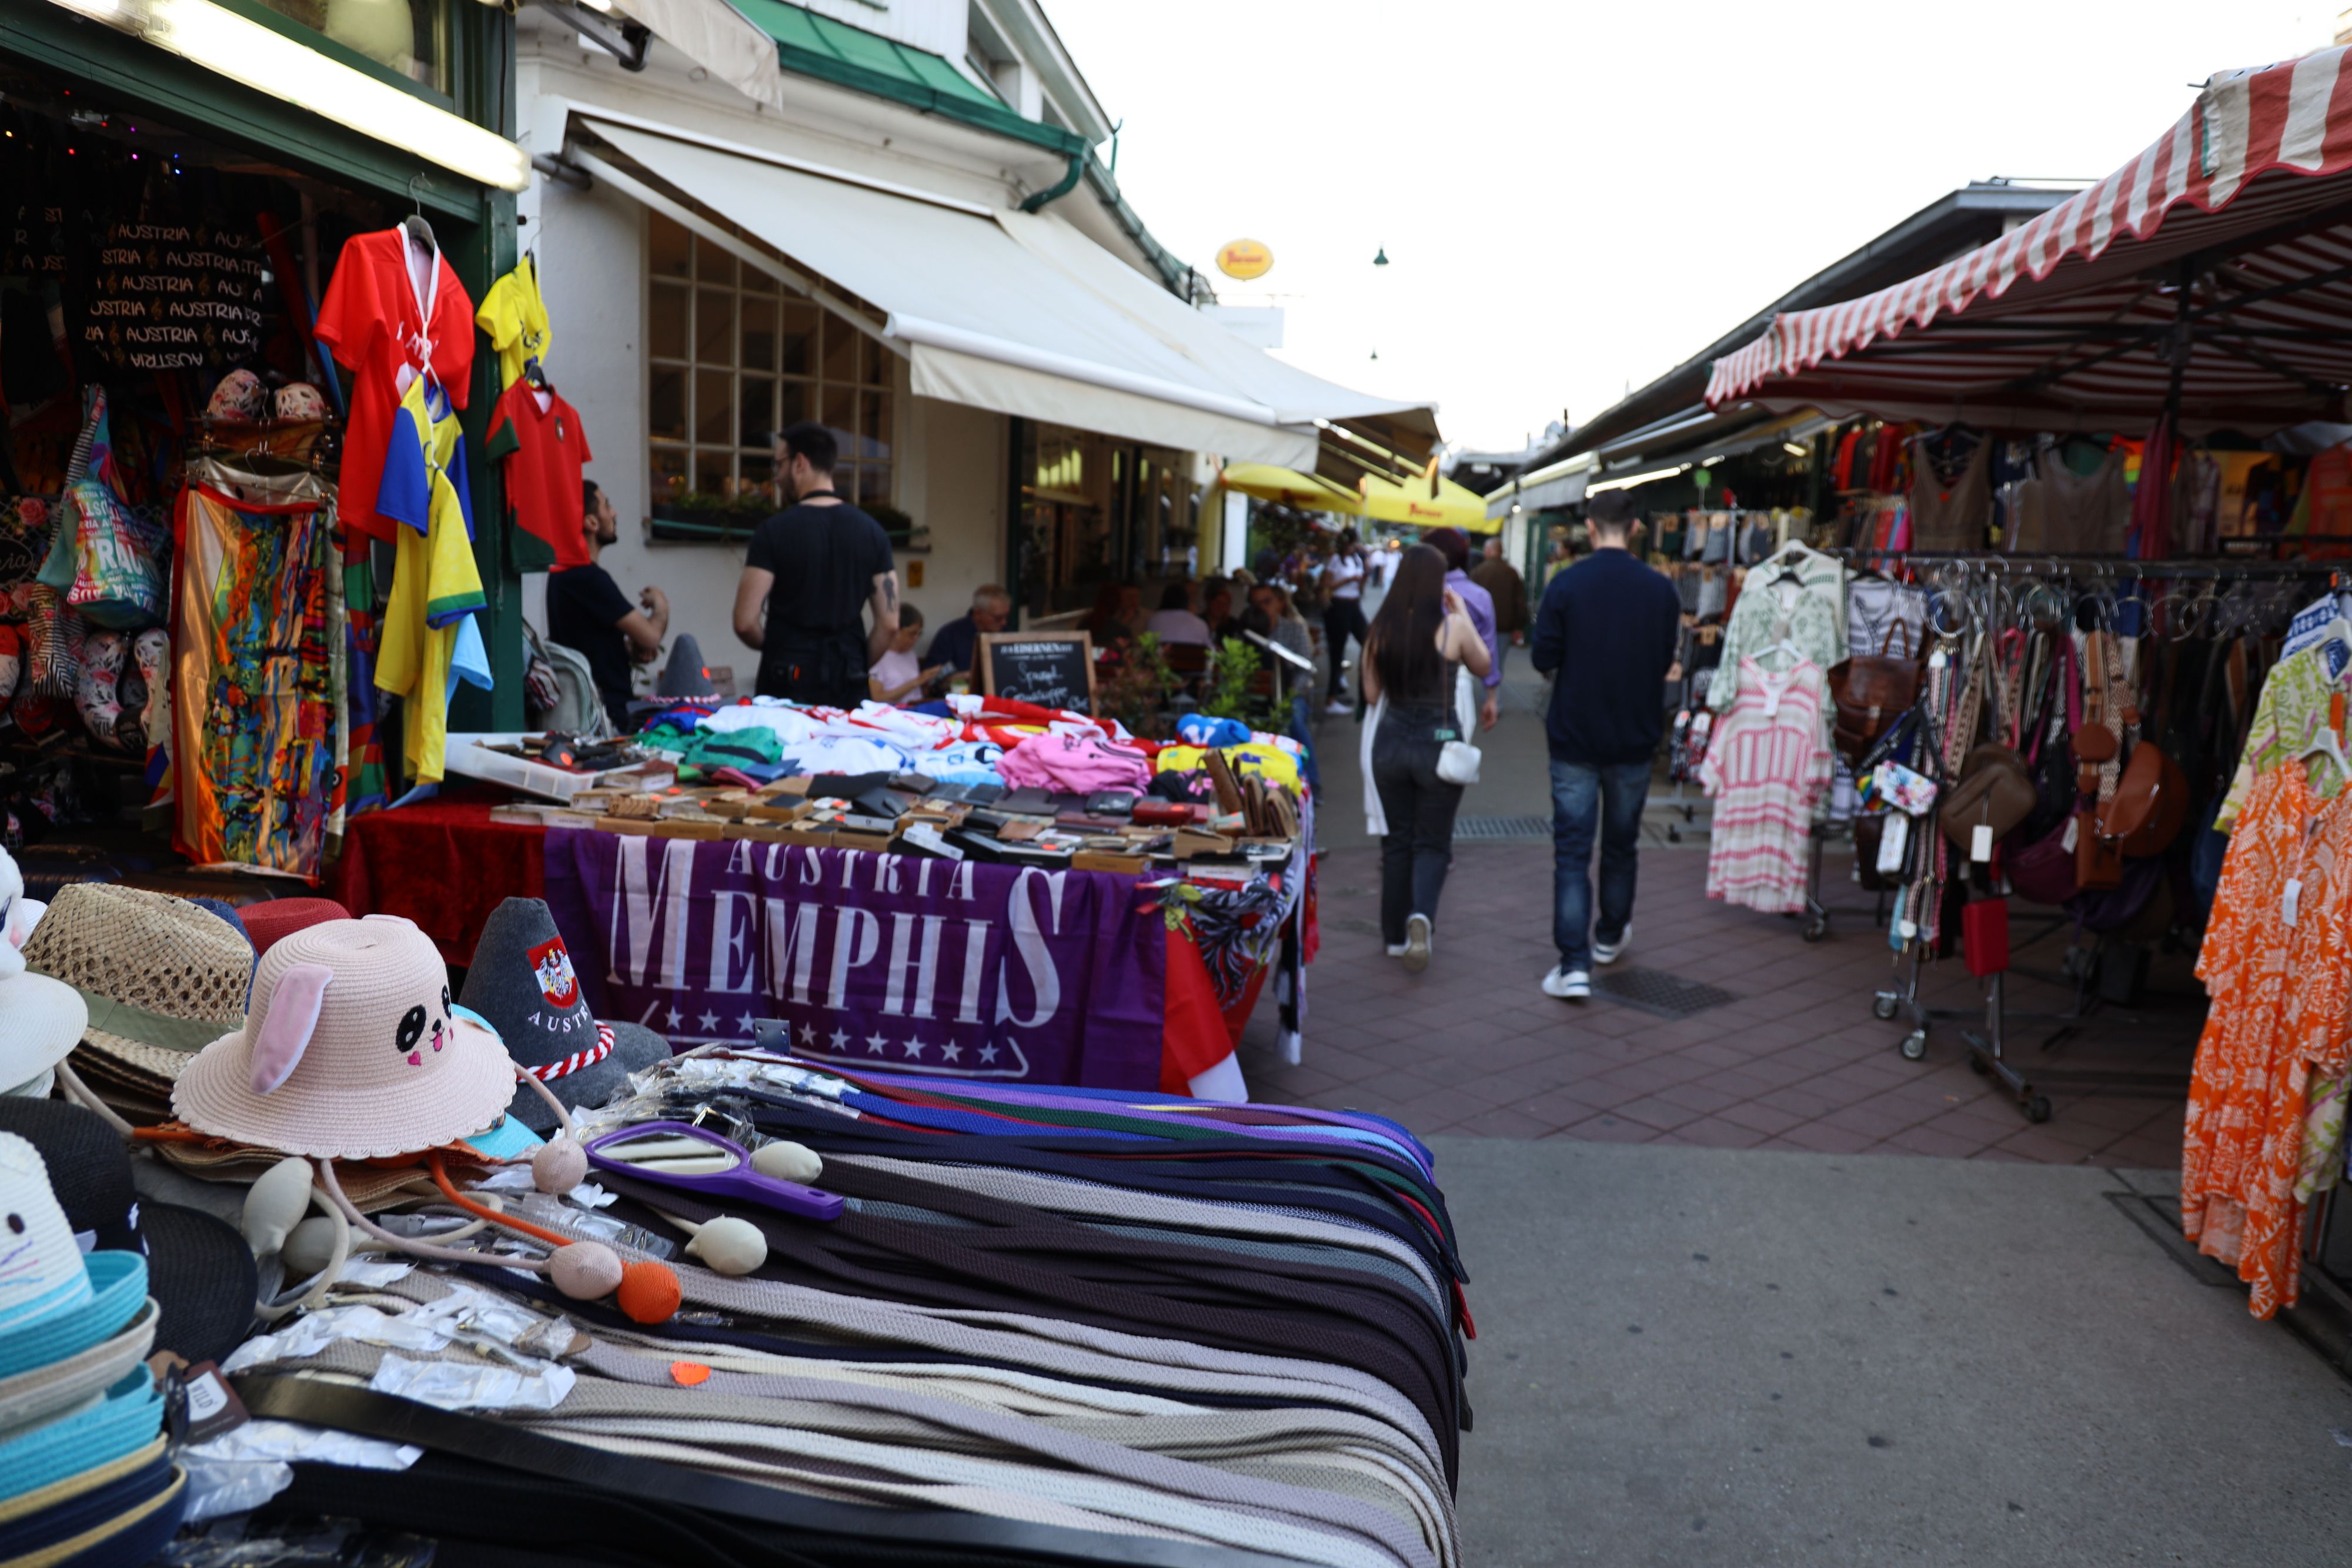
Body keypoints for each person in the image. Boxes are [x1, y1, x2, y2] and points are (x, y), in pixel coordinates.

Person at [1529, 489, 1681, 1002]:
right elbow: (1665, 659)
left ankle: (1573, 966)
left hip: (1574, 734)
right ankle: (1610, 935)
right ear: (1636, 527)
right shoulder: (1661, 591)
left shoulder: (1567, 583)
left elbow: (1541, 656)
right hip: (1635, 737)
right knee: (1621, 844)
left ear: (1591, 529)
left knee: (1572, 853)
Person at [1360, 544, 1491, 974]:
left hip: (1391, 743)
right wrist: (1462, 614)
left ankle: (1395, 938)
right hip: (1439, 745)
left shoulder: (1381, 628)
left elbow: (1371, 695)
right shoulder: (1452, 625)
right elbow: (1483, 663)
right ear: (1439, 582)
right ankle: (1422, 916)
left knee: (1396, 840)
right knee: (1432, 842)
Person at [732, 422, 897, 708]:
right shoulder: (872, 532)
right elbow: (890, 624)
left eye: (778, 465)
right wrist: (854, 660)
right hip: (849, 681)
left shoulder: (773, 532)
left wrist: (778, 649)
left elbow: (746, 622)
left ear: (800, 464)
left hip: (785, 681)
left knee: (785, 753)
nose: (776, 476)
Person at [546, 479, 667, 731]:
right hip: (606, 717)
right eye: (606, 506)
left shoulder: (562, 576)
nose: (614, 513)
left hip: (587, 714)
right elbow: (651, 636)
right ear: (591, 522)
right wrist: (661, 603)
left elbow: (587, 642)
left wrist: (627, 650)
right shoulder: (589, 578)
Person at [1424, 527, 1502, 732]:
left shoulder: (1413, 593)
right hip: (1458, 687)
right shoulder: (1480, 596)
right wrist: (1491, 697)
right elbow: (1489, 649)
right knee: (1453, 756)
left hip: (1410, 686)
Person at [1320, 530, 1369, 714]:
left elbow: (1360, 585)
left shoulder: (1356, 559)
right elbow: (1327, 586)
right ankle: (1331, 698)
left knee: (1368, 641)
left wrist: (1361, 581)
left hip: (1354, 606)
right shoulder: (1334, 560)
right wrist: (1348, 579)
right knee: (1337, 650)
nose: (1354, 546)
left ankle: (1359, 686)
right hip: (1339, 607)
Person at [1470, 537, 1531, 675]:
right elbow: (1520, 603)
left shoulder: (1478, 572)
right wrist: (1519, 627)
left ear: (1490, 551)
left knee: (1482, 661)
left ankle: (1488, 692)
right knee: (1498, 663)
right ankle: (1492, 692)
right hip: (1504, 628)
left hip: (1482, 626)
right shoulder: (1512, 573)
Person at [923, 584, 1010, 677]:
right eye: (998, 618)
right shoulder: (950, 635)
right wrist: (964, 677)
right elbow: (931, 678)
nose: (1004, 622)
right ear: (978, 613)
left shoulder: (1007, 634)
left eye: (1007, 616)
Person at [870, 604, 941, 706]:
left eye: (919, 634)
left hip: (917, 708)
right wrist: (917, 681)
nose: (916, 638)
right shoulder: (877, 656)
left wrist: (925, 685)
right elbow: (877, 698)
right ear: (896, 631)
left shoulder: (910, 654)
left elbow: (915, 693)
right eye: (912, 633)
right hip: (894, 713)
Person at [1144, 581, 1212, 646]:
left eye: (1195, 593)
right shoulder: (1200, 624)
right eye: (1190, 593)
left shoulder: (1153, 619)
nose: (1192, 597)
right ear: (1184, 597)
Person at [1081, 581, 1143, 646]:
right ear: (1119, 601)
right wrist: (1123, 623)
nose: (1133, 601)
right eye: (1129, 597)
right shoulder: (1117, 625)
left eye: (1136, 597)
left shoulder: (1148, 616)